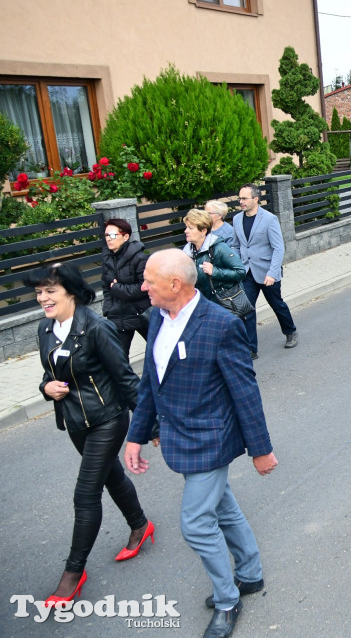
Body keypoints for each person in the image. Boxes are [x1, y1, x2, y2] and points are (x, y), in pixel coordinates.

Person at [124, 249, 277, 638]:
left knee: (195, 524)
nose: (143, 287)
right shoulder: (156, 317)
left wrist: (261, 450)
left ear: (175, 284)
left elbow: (245, 392)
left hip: (211, 439)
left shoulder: (221, 324)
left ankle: (228, 601)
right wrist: (136, 436)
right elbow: (150, 384)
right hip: (178, 436)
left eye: (149, 280)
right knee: (223, 507)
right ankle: (251, 573)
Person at [27, 263, 153, 608]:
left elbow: (126, 379)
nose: (43, 298)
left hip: (107, 419)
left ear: (70, 291)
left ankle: (73, 573)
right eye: (39, 292)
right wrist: (45, 387)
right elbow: (49, 372)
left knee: (85, 494)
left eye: (50, 291)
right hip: (75, 422)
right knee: (110, 475)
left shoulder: (98, 328)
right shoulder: (45, 328)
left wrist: (149, 427)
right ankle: (140, 526)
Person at [233, 184, 298, 358]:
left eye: (244, 198)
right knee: (247, 309)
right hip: (247, 272)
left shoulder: (269, 219)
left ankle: (290, 331)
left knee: (277, 304)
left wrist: (272, 272)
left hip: (267, 272)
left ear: (256, 199)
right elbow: (238, 245)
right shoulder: (236, 219)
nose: (241, 202)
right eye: (240, 198)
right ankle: (251, 348)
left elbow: (278, 248)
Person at [101, 218, 151, 358]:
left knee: (159, 352)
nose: (108, 239)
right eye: (106, 235)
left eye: (112, 235)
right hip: (118, 315)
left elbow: (144, 287)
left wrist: (117, 288)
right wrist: (109, 309)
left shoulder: (140, 258)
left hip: (140, 313)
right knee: (117, 359)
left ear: (126, 236)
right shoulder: (107, 258)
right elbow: (106, 287)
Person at [182, 209, 246, 302]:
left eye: (190, 228)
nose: (186, 231)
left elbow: (240, 272)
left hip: (224, 304)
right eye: (186, 227)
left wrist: (214, 271)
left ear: (203, 231)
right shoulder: (187, 252)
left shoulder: (219, 248)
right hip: (202, 304)